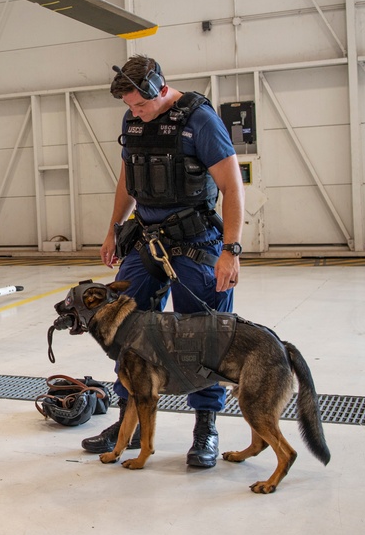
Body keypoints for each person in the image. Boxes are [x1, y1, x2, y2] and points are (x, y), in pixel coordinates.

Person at [84, 55, 245, 468]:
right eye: (129, 108)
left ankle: (205, 426)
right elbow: (128, 177)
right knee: (122, 327)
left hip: (197, 241)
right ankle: (129, 425)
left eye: (140, 105)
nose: (134, 113)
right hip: (146, 239)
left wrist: (231, 250)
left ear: (159, 87)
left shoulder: (200, 120)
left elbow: (231, 185)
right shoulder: (133, 120)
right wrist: (113, 228)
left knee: (205, 335)